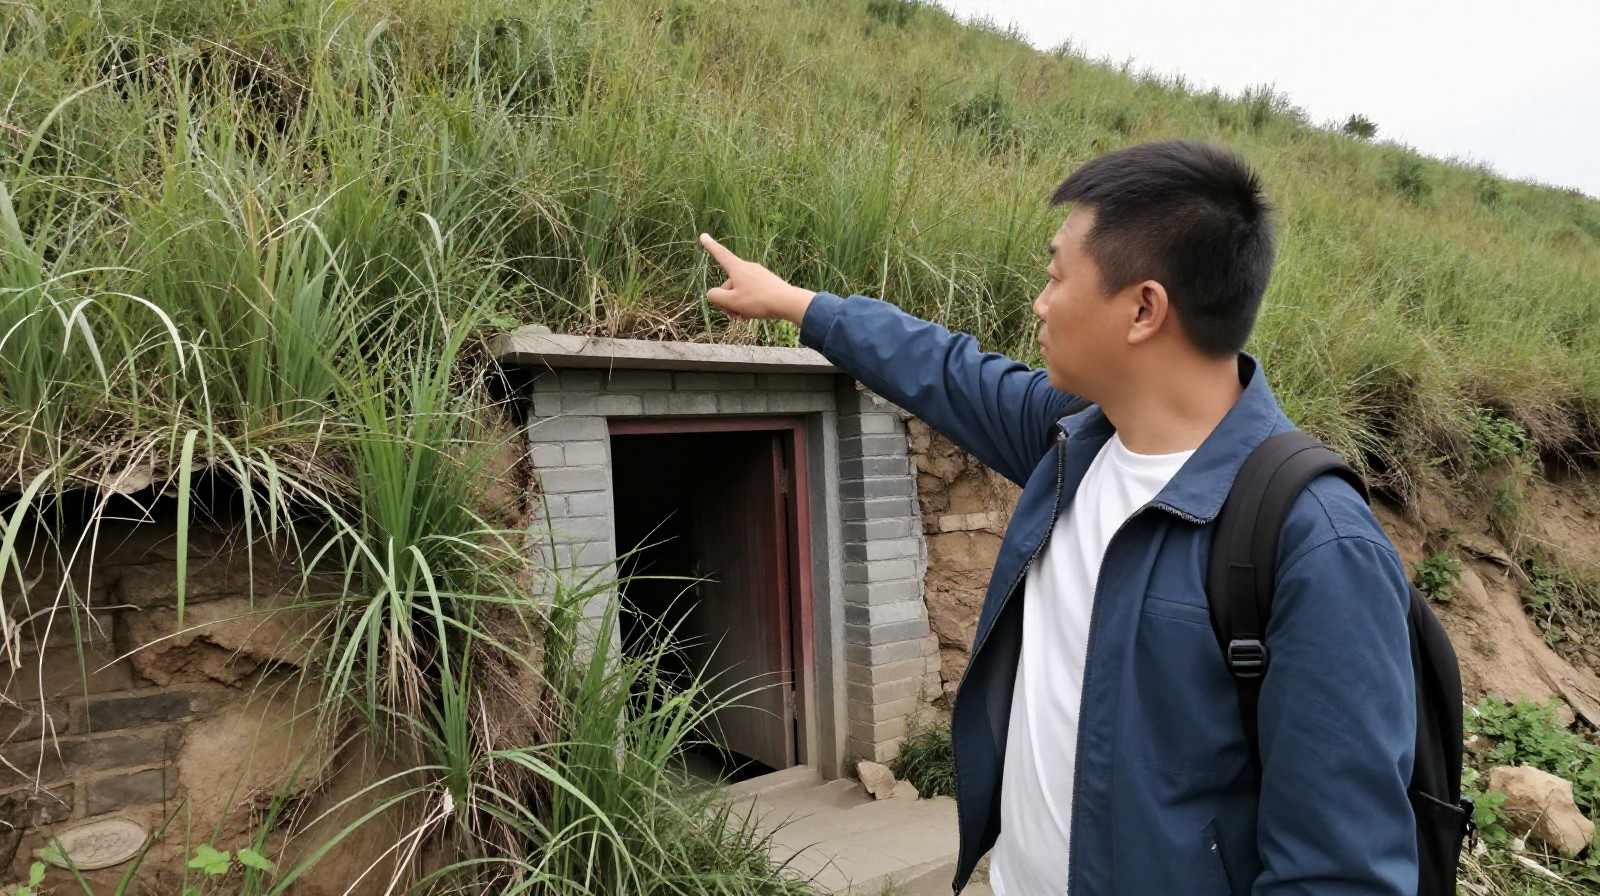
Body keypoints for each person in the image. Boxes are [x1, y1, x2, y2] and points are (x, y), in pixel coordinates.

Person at [698, 139, 1416, 895]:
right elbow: (947, 370)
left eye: (1054, 277)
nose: (1040, 303)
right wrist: (797, 304)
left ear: (1143, 308)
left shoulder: (1314, 543)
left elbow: (1341, 873)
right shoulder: (1077, 441)